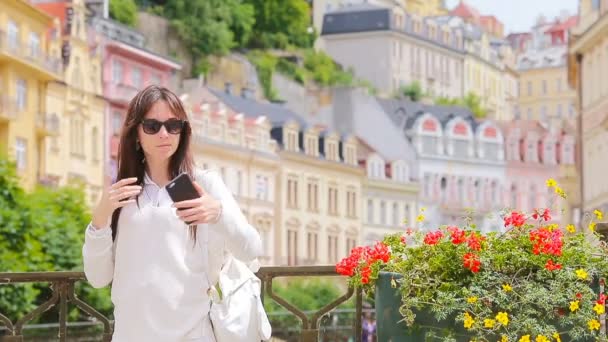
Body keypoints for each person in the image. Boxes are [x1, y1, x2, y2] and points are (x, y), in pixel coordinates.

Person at [82, 85, 262, 342]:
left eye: (173, 125)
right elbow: (97, 278)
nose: (164, 134)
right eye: (152, 126)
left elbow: (251, 248)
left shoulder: (204, 183)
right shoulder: (121, 194)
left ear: (183, 131)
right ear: (136, 133)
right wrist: (100, 218)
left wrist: (218, 214)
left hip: (193, 334)